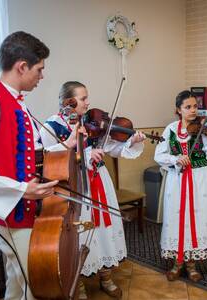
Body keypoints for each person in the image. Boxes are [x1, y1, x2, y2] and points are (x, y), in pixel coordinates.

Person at [0, 31, 83, 300]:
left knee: (19, 279)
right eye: (39, 69)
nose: (42, 76)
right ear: (22, 66)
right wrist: (23, 190)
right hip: (9, 208)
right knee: (35, 284)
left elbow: (29, 154)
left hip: (22, 205)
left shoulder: (16, 102)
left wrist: (67, 145)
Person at [40, 81, 145, 299]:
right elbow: (48, 156)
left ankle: (106, 277)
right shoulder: (52, 125)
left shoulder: (92, 123)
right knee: (79, 233)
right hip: (75, 187)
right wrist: (84, 154)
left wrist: (132, 141)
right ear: (67, 101)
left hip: (99, 181)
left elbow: (114, 148)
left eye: (87, 97)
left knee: (103, 228)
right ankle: (77, 284)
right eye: (83, 98)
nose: (88, 102)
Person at [154, 90, 207, 282]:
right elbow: (158, 155)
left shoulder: (203, 128)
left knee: (197, 220)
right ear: (178, 110)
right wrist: (176, 158)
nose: (193, 111)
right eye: (188, 107)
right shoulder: (171, 129)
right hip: (178, 180)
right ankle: (177, 262)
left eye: (195, 106)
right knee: (177, 219)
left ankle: (192, 265)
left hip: (201, 180)